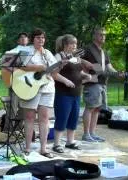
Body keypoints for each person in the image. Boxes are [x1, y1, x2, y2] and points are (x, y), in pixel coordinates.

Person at [19, 28, 60, 158]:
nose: (41, 40)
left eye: (43, 37)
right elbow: (21, 66)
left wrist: (61, 64)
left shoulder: (47, 53)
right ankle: (27, 148)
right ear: (33, 39)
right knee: (29, 117)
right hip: (30, 86)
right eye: (38, 37)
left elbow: (54, 71)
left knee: (44, 118)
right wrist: (39, 67)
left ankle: (43, 148)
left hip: (47, 88)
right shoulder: (27, 51)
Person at [52, 34, 92, 153]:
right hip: (63, 93)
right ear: (65, 45)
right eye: (72, 43)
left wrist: (86, 76)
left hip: (76, 92)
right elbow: (53, 73)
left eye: (76, 43)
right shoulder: (59, 56)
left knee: (74, 117)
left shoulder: (77, 58)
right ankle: (57, 144)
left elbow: (77, 72)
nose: (75, 46)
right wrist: (65, 81)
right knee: (62, 117)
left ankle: (70, 141)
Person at [81, 27, 117, 142]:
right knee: (90, 107)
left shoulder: (104, 52)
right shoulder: (87, 49)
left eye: (104, 35)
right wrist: (86, 63)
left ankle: (92, 133)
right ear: (94, 36)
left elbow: (108, 67)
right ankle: (86, 134)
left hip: (102, 82)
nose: (103, 37)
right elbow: (74, 58)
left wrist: (118, 73)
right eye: (101, 35)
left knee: (97, 109)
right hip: (91, 81)